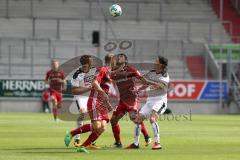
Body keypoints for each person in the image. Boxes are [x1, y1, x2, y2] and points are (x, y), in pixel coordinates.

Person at [64, 53, 114, 153]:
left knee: (102, 127)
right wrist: (88, 89)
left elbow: (100, 84)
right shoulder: (77, 74)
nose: (92, 64)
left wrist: (106, 100)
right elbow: (74, 91)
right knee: (85, 114)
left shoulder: (95, 70)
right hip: (82, 97)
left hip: (97, 98)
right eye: (90, 62)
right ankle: (75, 137)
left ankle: (85, 145)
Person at [110, 53, 160, 148]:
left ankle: (147, 137)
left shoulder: (131, 69)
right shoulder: (114, 70)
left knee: (134, 117)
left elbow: (143, 80)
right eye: (118, 57)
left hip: (132, 98)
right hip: (122, 100)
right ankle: (118, 143)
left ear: (125, 60)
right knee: (113, 121)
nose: (119, 58)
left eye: (121, 57)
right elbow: (107, 76)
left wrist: (153, 83)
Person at [127, 56, 169, 150]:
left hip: (159, 101)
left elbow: (161, 86)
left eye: (156, 61)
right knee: (137, 120)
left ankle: (157, 143)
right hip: (150, 101)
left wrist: (148, 81)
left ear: (161, 65)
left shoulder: (164, 75)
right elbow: (143, 81)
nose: (154, 62)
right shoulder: (152, 72)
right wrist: (138, 89)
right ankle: (136, 144)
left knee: (152, 118)